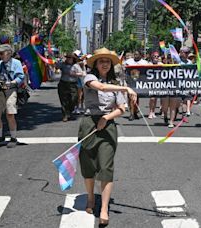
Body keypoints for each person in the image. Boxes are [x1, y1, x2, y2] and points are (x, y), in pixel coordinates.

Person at [79, 47, 137, 226]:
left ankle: (104, 208)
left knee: (106, 167)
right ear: (95, 64)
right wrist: (126, 88)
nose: (104, 64)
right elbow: (101, 87)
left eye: (107, 61)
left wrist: (107, 118)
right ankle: (90, 198)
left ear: (111, 65)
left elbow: (121, 109)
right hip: (89, 123)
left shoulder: (115, 82)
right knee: (88, 164)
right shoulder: (90, 78)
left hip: (108, 125)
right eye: (101, 61)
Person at [0, 44, 25, 148]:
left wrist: (12, 82)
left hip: (11, 90)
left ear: (9, 53)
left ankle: (13, 137)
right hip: (0, 91)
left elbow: (21, 76)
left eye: (2, 53)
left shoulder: (16, 63)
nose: (0, 55)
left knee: (10, 114)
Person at [124, 50, 148, 120]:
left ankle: (135, 112)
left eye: (137, 54)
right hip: (131, 82)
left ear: (140, 55)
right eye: (135, 54)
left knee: (136, 98)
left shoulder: (144, 62)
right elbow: (124, 68)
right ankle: (131, 113)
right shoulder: (129, 61)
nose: (135, 56)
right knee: (131, 98)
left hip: (139, 83)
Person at [55, 53, 78, 121]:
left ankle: (70, 112)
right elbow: (56, 66)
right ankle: (65, 115)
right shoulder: (63, 64)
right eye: (67, 57)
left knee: (74, 99)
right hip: (63, 84)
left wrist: (77, 74)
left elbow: (83, 72)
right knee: (64, 100)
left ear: (73, 59)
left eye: (70, 58)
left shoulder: (76, 65)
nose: (68, 59)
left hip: (73, 85)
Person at [148, 51, 162, 119]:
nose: (156, 58)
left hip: (158, 83)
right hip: (151, 83)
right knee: (152, 98)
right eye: (154, 56)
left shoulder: (161, 64)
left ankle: (153, 111)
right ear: (152, 57)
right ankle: (150, 111)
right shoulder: (148, 64)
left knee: (155, 98)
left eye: (157, 56)